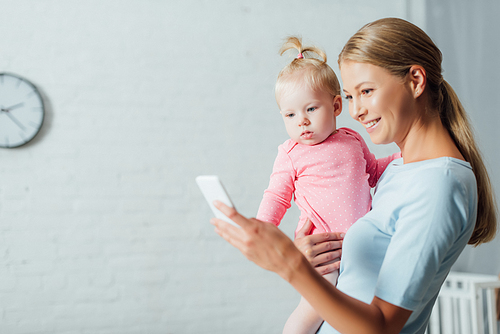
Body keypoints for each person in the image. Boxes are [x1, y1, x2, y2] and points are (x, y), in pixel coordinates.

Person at [210, 17, 498, 334]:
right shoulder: (400, 169)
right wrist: (312, 257)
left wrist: (290, 266)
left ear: (416, 81)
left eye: (367, 91)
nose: (356, 110)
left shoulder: (438, 185)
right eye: (349, 96)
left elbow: (382, 327)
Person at [256, 36, 400, 334]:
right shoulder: (291, 154)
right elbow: (276, 197)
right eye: (291, 114)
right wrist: (262, 229)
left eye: (311, 109)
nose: (302, 122)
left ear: (336, 106)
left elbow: (373, 172)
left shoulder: (352, 139)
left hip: (364, 247)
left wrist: (402, 155)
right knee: (312, 311)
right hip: (325, 252)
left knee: (364, 309)